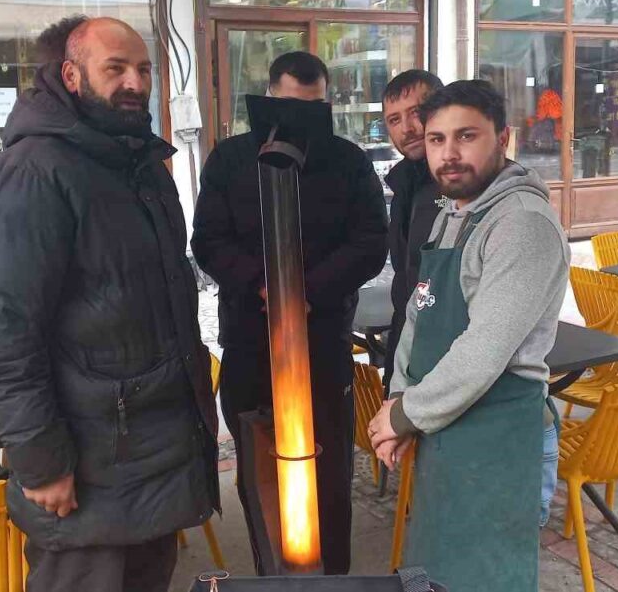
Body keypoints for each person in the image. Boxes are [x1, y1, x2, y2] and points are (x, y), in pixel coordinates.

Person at [0, 16, 218, 592]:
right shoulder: (34, 171)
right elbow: (2, 333)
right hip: (87, 471)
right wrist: (40, 462)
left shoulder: (140, 165)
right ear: (71, 75)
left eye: (144, 69)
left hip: (151, 458)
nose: (135, 82)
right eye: (116, 68)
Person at [192, 51, 387, 575]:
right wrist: (264, 286)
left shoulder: (348, 161)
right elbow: (208, 239)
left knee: (330, 469)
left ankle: (334, 577)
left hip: (321, 340)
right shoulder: (230, 159)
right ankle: (270, 576)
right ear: (268, 97)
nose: (300, 118)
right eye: (289, 105)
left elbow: (371, 241)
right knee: (259, 468)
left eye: (313, 107)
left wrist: (306, 293)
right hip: (250, 341)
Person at [369, 79, 570, 590]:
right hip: (447, 427)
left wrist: (406, 414)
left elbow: (484, 351)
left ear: (502, 138)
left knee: (485, 578)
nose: (449, 154)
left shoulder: (521, 224)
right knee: (438, 573)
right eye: (437, 139)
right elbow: (418, 312)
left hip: (498, 439)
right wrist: (401, 397)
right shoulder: (452, 213)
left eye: (466, 136)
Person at [381, 70, 444, 387]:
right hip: (406, 345)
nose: (407, 128)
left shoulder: (462, 184)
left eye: (416, 113)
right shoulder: (404, 184)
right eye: (394, 119)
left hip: (448, 358)